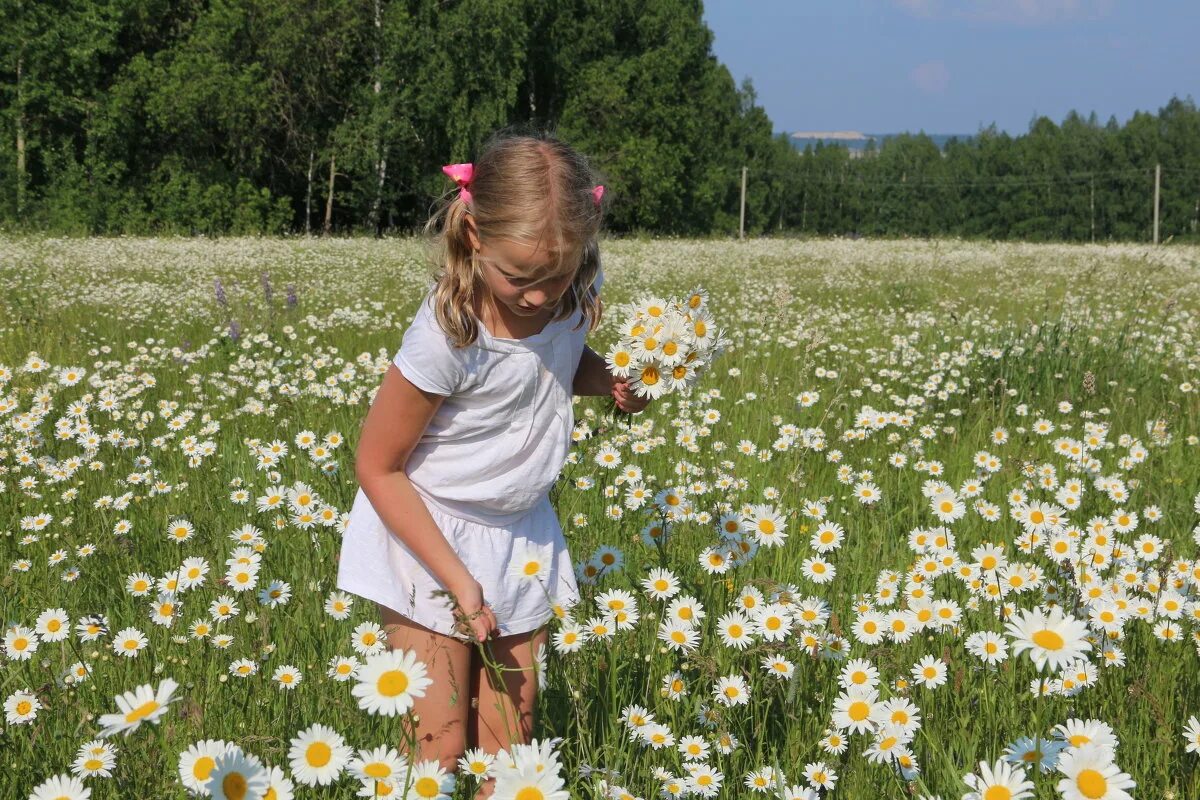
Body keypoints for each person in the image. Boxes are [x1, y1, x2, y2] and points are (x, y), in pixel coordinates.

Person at [335, 128, 651, 799]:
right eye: (519, 278)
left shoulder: (568, 307)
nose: (536, 296)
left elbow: (556, 369)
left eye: (556, 276)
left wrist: (613, 382)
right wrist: (456, 580)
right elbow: (377, 466)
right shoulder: (447, 336)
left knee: (511, 751)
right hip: (429, 540)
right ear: (473, 235)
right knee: (439, 748)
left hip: (521, 539)